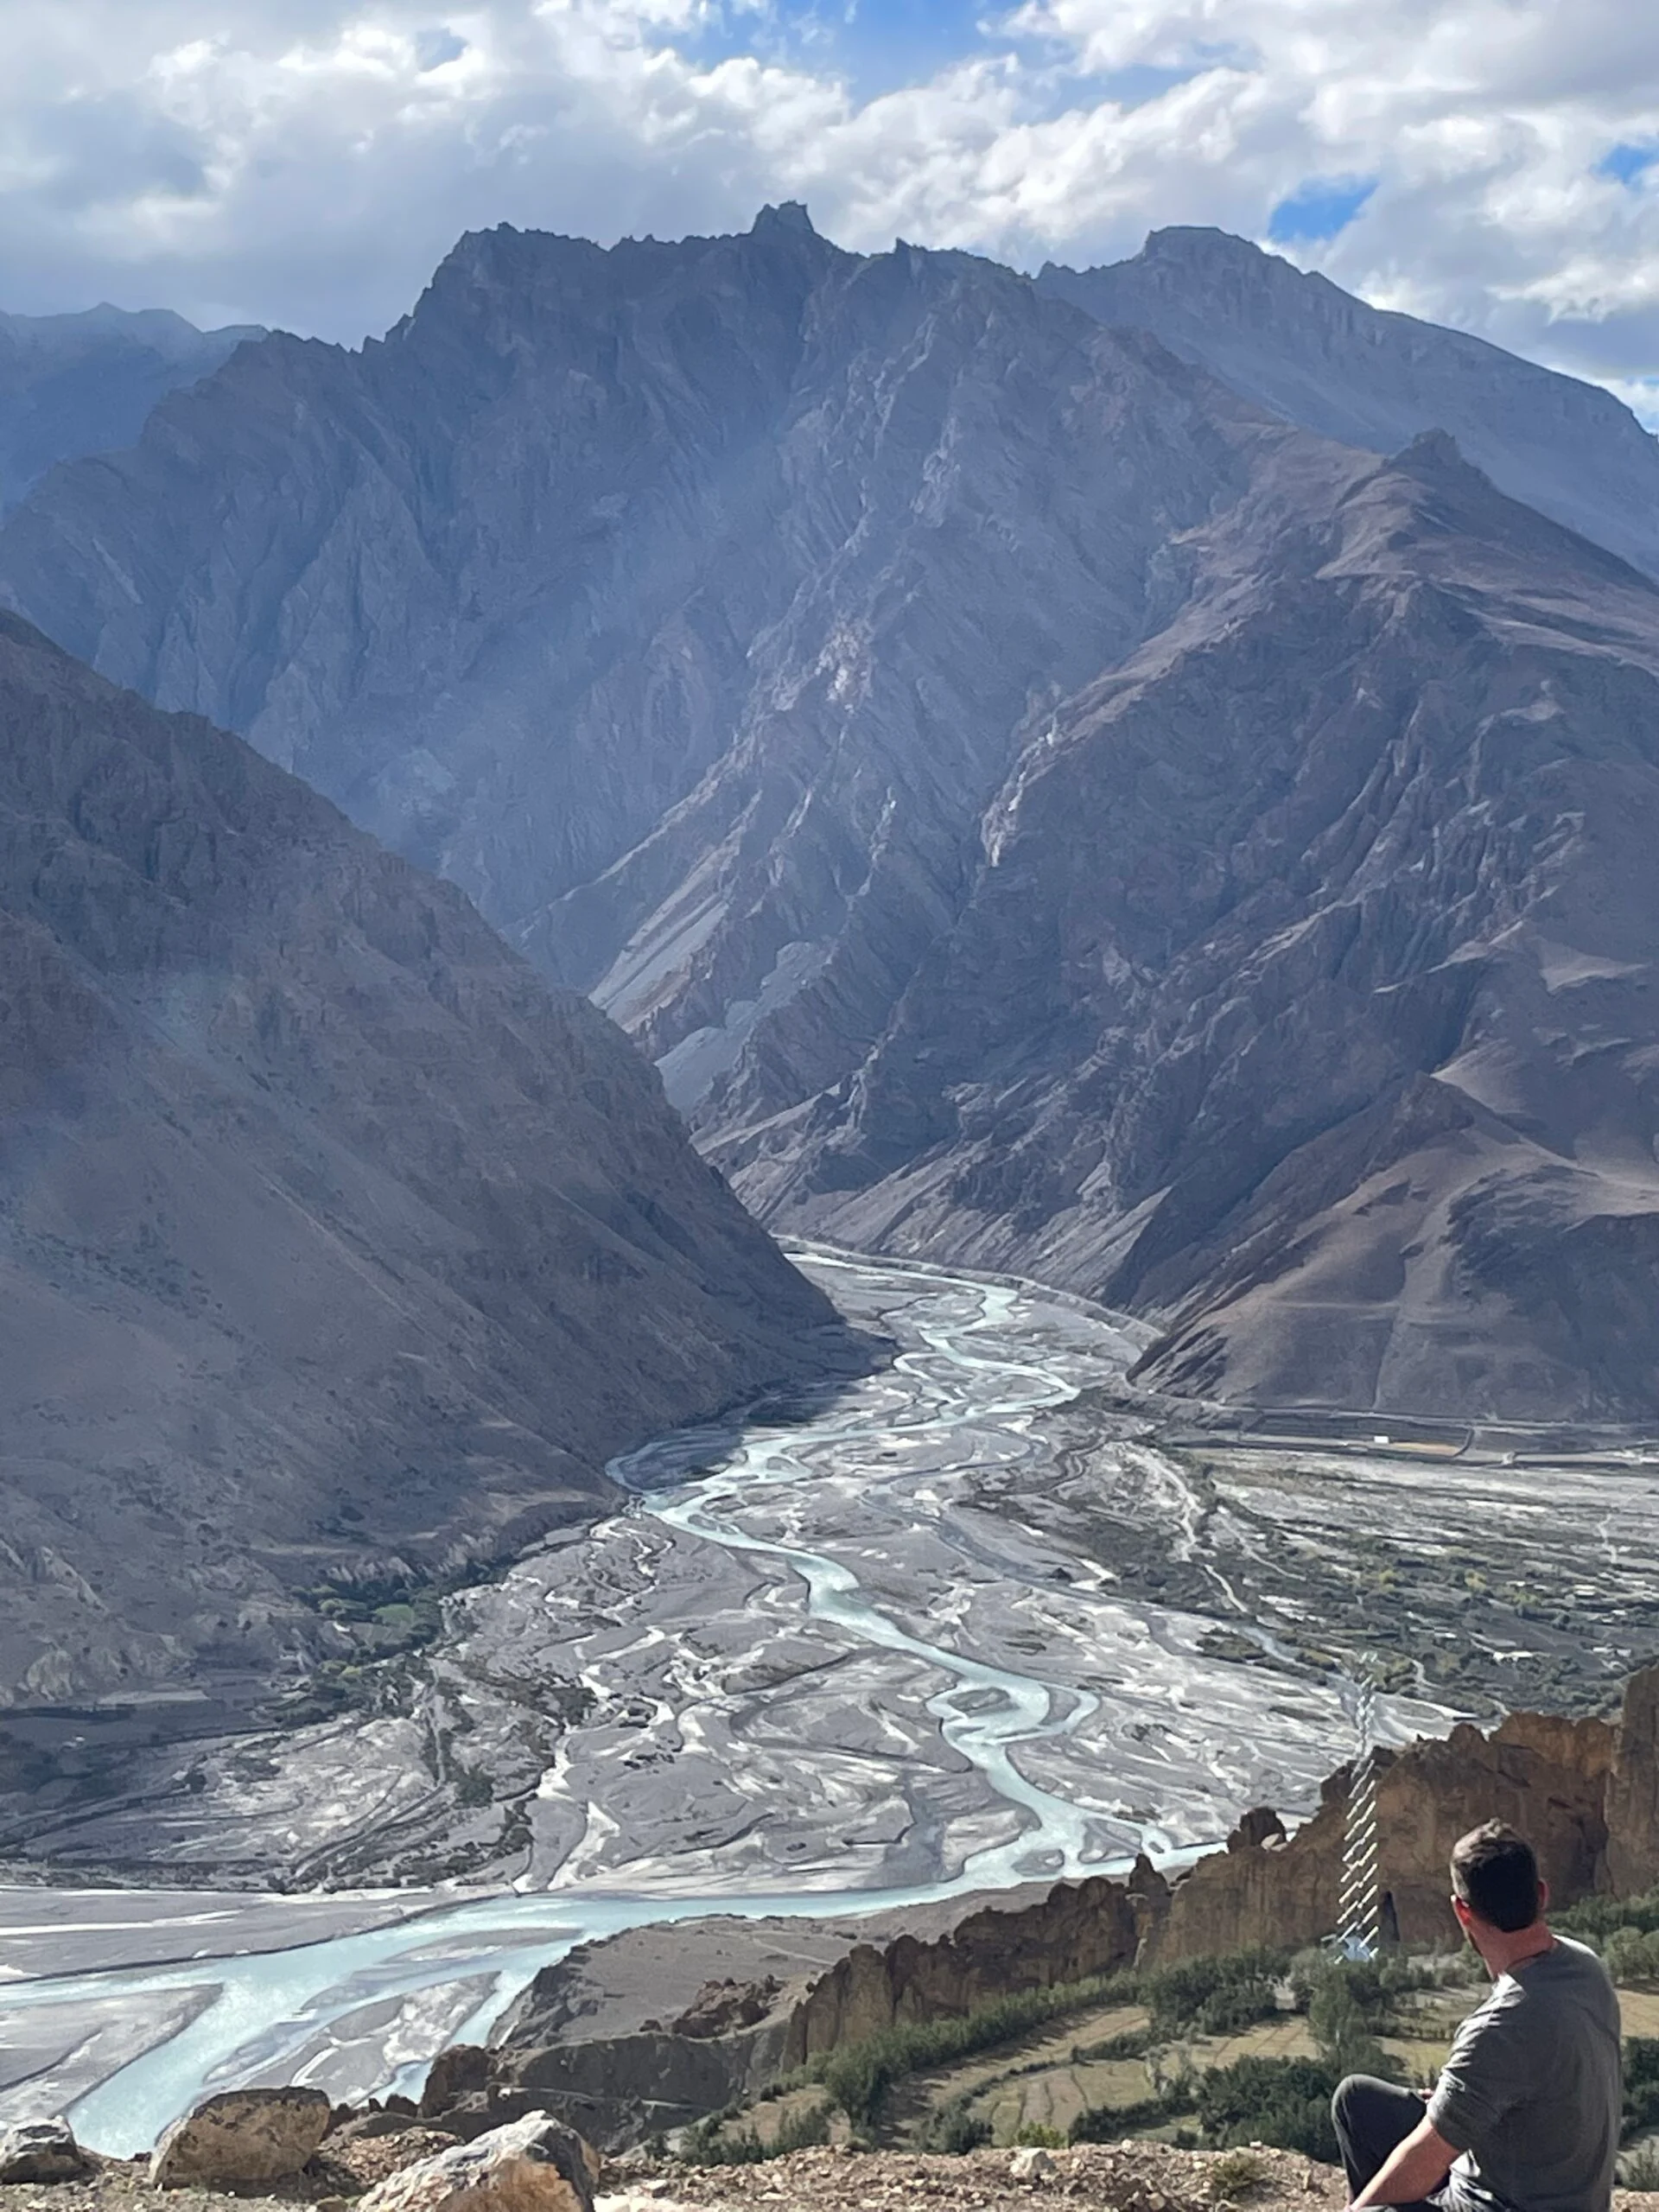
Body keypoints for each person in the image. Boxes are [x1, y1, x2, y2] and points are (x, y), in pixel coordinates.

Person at [1332, 1820, 1622, 2212]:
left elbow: (1425, 2157)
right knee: (1356, 2102)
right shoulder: (1586, 1967)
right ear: (1541, 1893)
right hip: (1564, 2187)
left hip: (1502, 2204)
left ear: (1462, 1912)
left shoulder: (1500, 2028)